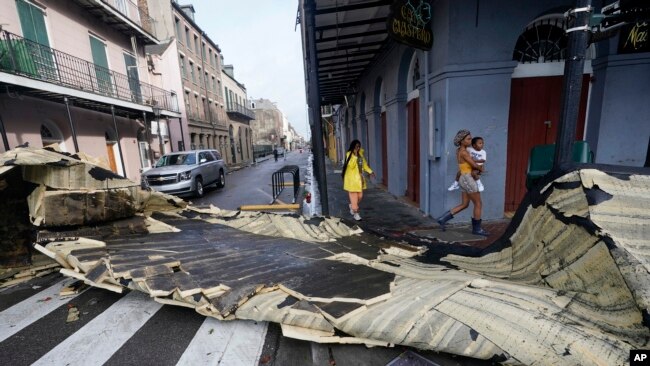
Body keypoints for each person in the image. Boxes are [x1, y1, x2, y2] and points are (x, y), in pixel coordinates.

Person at [437, 130, 489, 236]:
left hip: (463, 178)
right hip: (468, 179)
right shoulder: (464, 152)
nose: (471, 140)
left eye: (470, 138)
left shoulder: (460, 150)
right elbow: (474, 165)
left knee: (465, 204)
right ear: (461, 141)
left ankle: (443, 219)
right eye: (468, 139)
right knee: (478, 204)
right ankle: (477, 229)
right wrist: (481, 168)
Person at [342, 139, 376, 221]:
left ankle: (352, 205)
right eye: (356, 146)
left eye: (359, 146)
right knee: (354, 198)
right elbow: (351, 165)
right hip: (351, 180)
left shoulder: (361, 155)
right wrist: (355, 155)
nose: (358, 148)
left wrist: (371, 172)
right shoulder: (349, 154)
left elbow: (364, 165)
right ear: (353, 146)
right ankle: (356, 213)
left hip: (359, 180)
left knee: (360, 196)